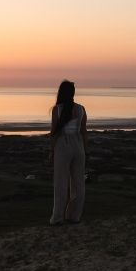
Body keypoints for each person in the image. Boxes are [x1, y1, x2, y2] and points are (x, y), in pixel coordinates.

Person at [47, 79, 87, 225]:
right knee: (78, 182)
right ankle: (74, 215)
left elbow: (54, 133)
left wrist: (51, 151)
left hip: (63, 145)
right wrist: (85, 149)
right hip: (78, 145)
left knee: (61, 182)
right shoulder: (81, 109)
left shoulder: (57, 109)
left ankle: (58, 217)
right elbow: (84, 132)